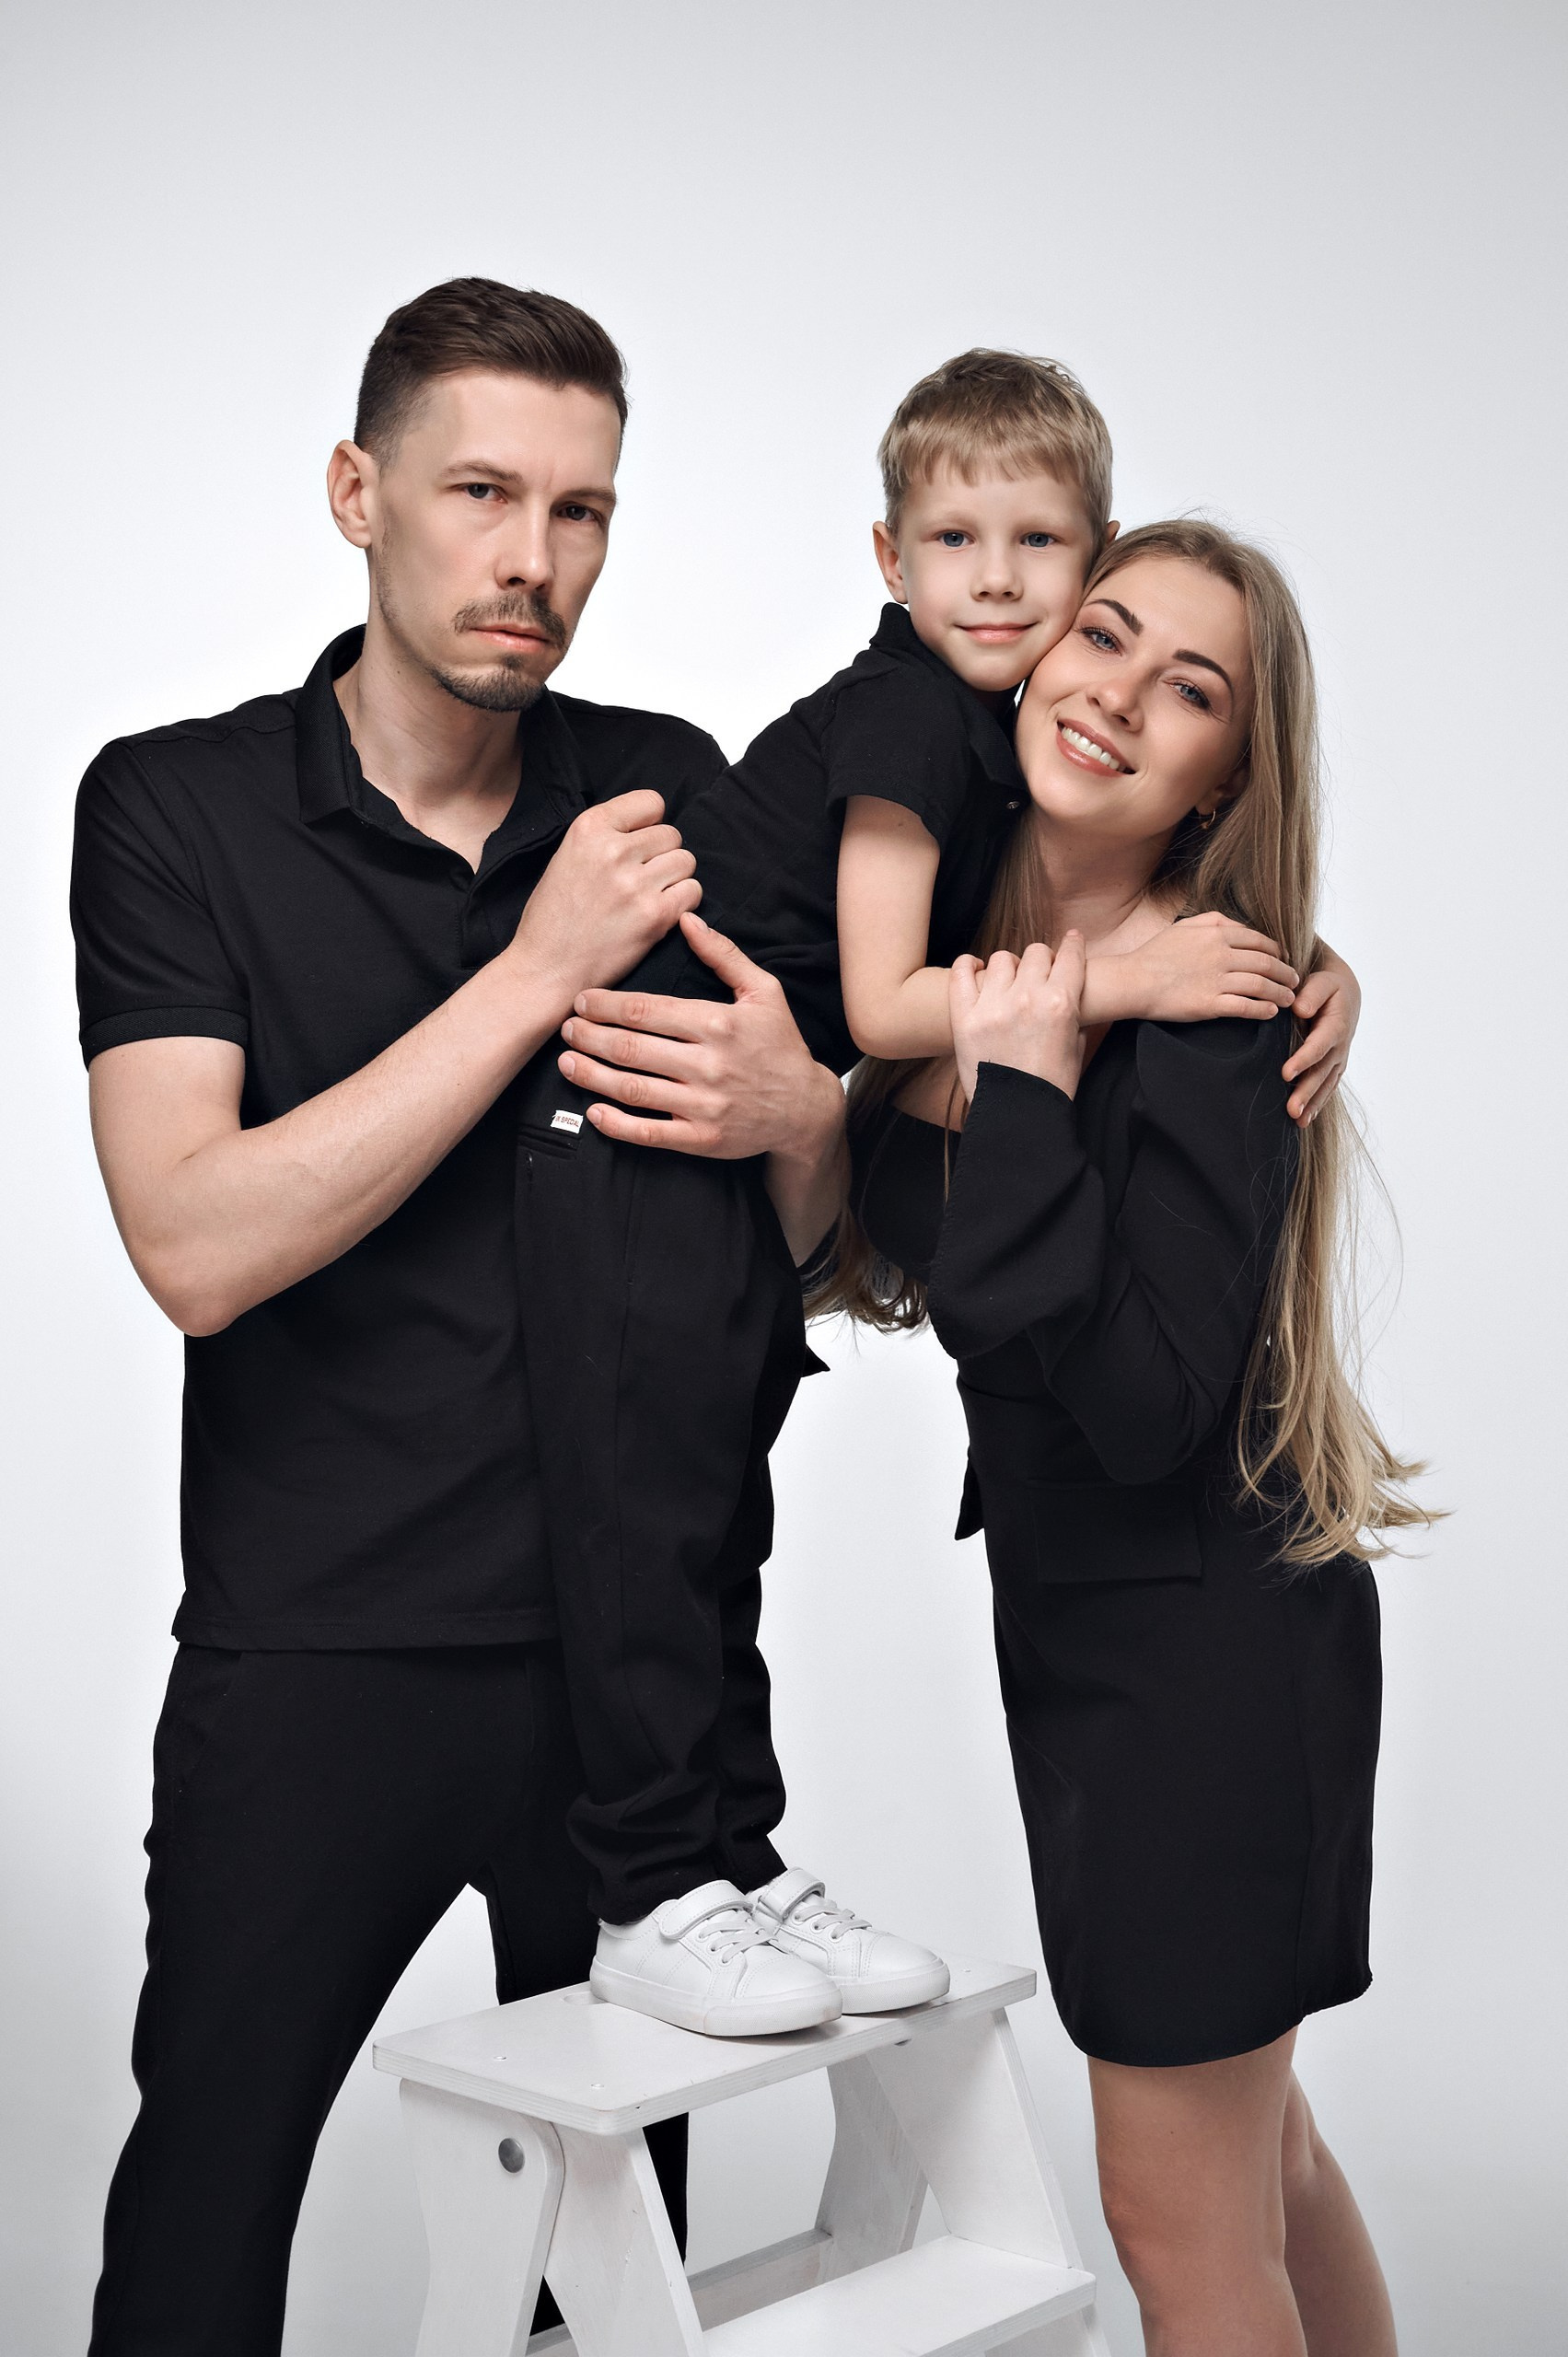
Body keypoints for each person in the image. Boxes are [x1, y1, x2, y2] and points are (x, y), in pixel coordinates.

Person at [68, 278, 854, 2357]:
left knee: (612, 2274)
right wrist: (532, 970)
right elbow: (193, 1242)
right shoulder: (171, 807)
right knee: (201, 2224)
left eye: (582, 510)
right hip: (320, 1645)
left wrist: (808, 1117)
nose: (535, 561)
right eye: (482, 493)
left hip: (634, 1669)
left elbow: (784, 1233)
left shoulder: (664, 787)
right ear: (359, 493)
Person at [534, 354, 1362, 2027]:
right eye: (1107, 637)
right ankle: (664, 1875)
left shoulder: (1106, 914)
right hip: (630, 1121)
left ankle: (720, 1859)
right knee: (669, 1510)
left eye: (1042, 550)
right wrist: (1110, 989)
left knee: (709, 1513)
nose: (1005, 590)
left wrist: (1281, 962)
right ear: (892, 560)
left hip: (1184, 1627)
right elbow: (892, 1024)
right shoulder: (934, 763)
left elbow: (1124, 1351)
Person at [835, 519, 1430, 2357]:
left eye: (1190, 689)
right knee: (1263, 2168)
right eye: (1104, 634)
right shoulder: (934, 907)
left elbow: (1152, 1405)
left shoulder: (1219, 1010)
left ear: (1223, 776)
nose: (1115, 694)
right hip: (1090, 1634)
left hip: (1207, 1660)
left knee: (1182, 2229)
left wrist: (1027, 1087)